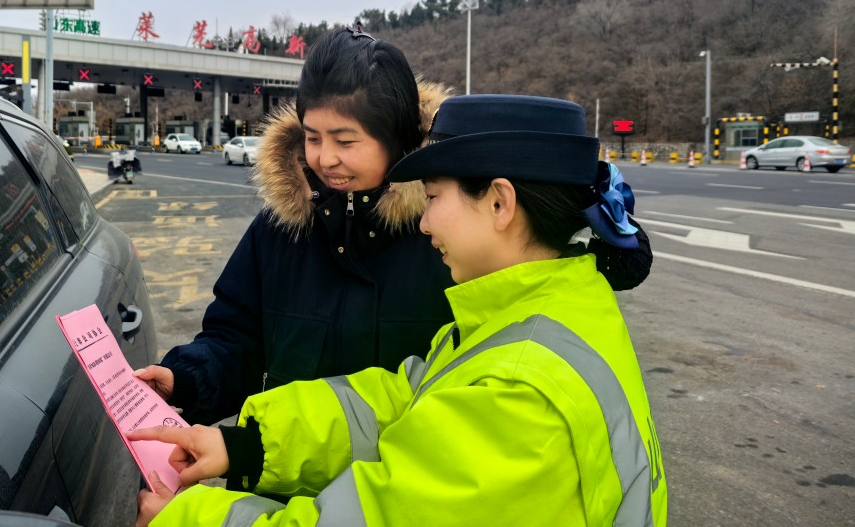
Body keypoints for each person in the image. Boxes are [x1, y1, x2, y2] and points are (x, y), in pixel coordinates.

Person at [128, 93, 668, 527]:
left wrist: (186, 520)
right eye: (313, 138)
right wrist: (244, 444)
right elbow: (399, 401)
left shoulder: (520, 392)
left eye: (433, 198)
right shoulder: (535, 312)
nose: (426, 223)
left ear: (500, 203)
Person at [136, 27, 652, 431]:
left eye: (346, 139)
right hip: (274, 476)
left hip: (403, 485)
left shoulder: (454, 239)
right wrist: (186, 379)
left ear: (397, 137)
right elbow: (235, 337)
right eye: (312, 137)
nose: (324, 158)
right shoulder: (282, 227)